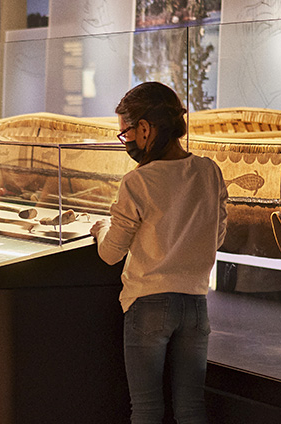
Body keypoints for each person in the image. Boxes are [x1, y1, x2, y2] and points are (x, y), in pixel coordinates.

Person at [90, 82, 227, 424]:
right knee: (192, 407)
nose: (127, 142)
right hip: (196, 305)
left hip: (148, 303)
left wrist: (99, 230)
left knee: (147, 409)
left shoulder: (138, 182)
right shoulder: (209, 171)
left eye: (126, 134)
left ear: (146, 128)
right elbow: (218, 236)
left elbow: (110, 254)